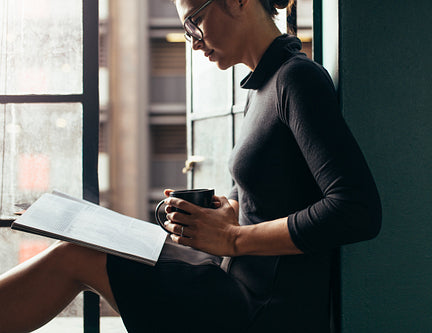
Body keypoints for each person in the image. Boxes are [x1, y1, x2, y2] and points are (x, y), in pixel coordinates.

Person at [0, 0, 382, 332]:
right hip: (234, 282)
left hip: (262, 311)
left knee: (77, 255)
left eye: (194, 20)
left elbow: (356, 209)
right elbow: (266, 202)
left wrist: (233, 239)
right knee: (86, 243)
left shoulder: (297, 79)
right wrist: (219, 214)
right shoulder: (262, 86)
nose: (193, 38)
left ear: (237, 1)